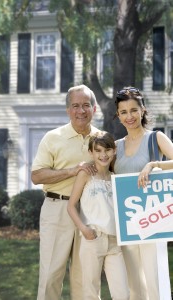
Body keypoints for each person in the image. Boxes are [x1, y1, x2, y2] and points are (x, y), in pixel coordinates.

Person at [31, 84, 99, 300]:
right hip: (57, 209)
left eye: (86, 105)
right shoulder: (52, 137)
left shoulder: (102, 139)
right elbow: (37, 176)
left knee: (86, 277)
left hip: (89, 212)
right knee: (51, 274)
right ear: (68, 110)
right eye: (76, 106)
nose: (81, 111)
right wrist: (73, 171)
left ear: (94, 109)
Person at [114, 86, 173, 300]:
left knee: (155, 282)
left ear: (142, 110)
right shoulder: (116, 146)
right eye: (123, 112)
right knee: (134, 286)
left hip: (153, 220)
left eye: (133, 110)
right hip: (127, 223)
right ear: (118, 116)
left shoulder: (155, 138)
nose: (129, 116)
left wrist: (153, 164)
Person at [67, 131, 130, 300]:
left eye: (107, 150)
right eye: (98, 150)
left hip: (114, 241)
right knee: (91, 293)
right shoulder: (86, 174)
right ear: (91, 153)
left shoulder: (114, 177)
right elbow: (71, 206)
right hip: (93, 239)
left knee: (123, 294)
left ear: (114, 150)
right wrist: (84, 229)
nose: (103, 155)